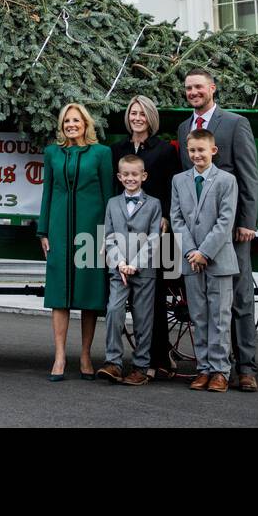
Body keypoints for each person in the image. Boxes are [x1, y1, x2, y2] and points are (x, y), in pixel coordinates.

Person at [176, 67, 258, 392]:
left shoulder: (235, 124)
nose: (193, 92)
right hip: (195, 232)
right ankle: (211, 367)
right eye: (188, 88)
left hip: (230, 229)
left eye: (198, 86)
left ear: (212, 87)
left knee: (238, 299)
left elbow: (248, 174)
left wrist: (247, 222)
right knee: (200, 303)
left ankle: (246, 368)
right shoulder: (186, 127)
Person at [37, 102, 113, 381]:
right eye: (66, 121)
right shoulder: (52, 153)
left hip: (92, 231)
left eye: (76, 120)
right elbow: (47, 192)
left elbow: (109, 196)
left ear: (86, 124)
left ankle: (84, 355)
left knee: (89, 294)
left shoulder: (102, 154)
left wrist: (109, 234)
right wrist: (43, 230)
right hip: (58, 229)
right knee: (59, 294)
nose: (71, 125)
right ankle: (59, 357)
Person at [109, 94, 180, 378]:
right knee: (119, 299)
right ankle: (118, 360)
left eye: (142, 114)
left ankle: (156, 359)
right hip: (123, 231)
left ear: (150, 117)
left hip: (154, 227)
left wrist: (164, 216)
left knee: (153, 297)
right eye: (133, 113)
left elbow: (171, 187)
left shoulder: (163, 151)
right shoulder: (118, 149)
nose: (136, 118)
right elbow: (116, 191)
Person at [170, 128, 239, 393]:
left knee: (219, 317)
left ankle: (221, 370)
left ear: (213, 151)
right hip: (190, 259)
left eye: (201, 150)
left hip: (218, 259)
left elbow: (225, 221)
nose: (197, 155)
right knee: (198, 316)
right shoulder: (179, 180)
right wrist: (191, 251)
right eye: (192, 150)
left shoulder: (226, 180)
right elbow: (176, 217)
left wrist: (204, 252)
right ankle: (203, 369)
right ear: (187, 153)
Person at [96, 154, 162, 386]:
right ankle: (113, 362)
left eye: (135, 174)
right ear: (119, 177)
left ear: (143, 176)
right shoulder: (113, 203)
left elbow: (154, 237)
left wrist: (135, 263)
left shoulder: (154, 204)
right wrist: (120, 263)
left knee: (143, 318)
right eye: (126, 174)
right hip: (119, 270)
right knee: (114, 310)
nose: (130, 178)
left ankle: (141, 367)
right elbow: (109, 235)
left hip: (143, 270)